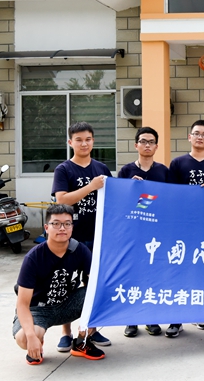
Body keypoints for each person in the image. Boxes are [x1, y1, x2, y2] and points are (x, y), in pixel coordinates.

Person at [13, 204, 106, 364]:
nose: (62, 228)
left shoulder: (81, 250)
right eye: (56, 223)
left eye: (67, 224)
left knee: (100, 293)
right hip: (39, 309)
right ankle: (37, 342)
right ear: (46, 228)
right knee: (24, 339)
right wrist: (31, 336)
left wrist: (91, 319)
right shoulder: (33, 258)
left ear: (72, 227)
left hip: (67, 304)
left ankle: (81, 342)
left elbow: (95, 284)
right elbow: (22, 304)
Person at [52, 122, 112, 350]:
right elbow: (62, 199)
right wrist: (91, 186)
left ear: (93, 141)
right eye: (78, 140)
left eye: (88, 139)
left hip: (98, 237)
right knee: (67, 283)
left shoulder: (101, 168)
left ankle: (91, 330)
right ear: (70, 142)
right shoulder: (64, 169)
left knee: (93, 284)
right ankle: (66, 333)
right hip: (71, 238)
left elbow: (114, 197)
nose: (84, 143)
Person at [167, 119, 204, 337]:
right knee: (180, 269)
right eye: (196, 133)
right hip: (183, 225)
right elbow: (170, 193)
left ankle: (201, 312)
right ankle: (176, 319)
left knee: (203, 268)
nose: (200, 137)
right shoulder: (178, 163)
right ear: (189, 137)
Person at [118, 127, 169, 338]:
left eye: (151, 142)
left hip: (157, 232)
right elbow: (119, 201)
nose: (147, 145)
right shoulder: (126, 171)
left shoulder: (164, 171)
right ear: (136, 145)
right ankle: (131, 320)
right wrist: (130, 188)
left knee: (153, 275)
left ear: (156, 146)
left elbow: (171, 199)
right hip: (133, 232)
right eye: (143, 141)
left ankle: (151, 318)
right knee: (132, 274)